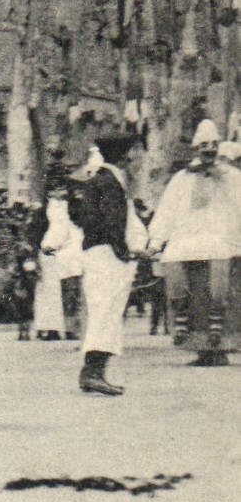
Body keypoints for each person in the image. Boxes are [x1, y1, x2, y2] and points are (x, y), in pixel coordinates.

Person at [146, 119, 241, 366]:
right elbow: (167, 209)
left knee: (219, 297)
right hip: (187, 243)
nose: (208, 150)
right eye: (203, 146)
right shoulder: (182, 179)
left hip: (222, 242)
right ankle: (200, 348)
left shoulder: (232, 177)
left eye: (213, 145)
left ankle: (220, 347)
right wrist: (157, 240)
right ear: (196, 149)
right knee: (189, 296)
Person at [71, 133, 145, 396]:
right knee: (106, 313)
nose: (137, 158)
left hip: (98, 253)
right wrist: (125, 251)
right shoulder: (111, 182)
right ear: (124, 156)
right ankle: (93, 372)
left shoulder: (100, 180)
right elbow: (112, 222)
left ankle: (92, 372)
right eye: (135, 153)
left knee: (104, 312)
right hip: (107, 255)